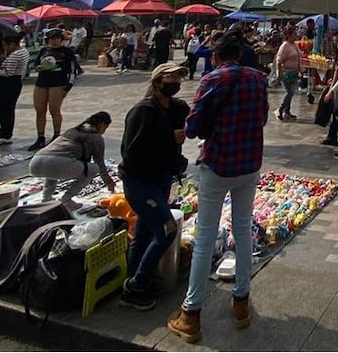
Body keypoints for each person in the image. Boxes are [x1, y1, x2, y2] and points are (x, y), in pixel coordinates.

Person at [167, 37, 269, 341]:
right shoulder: (258, 79)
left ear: (215, 56)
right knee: (242, 230)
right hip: (249, 163)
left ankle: (192, 313)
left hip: (219, 163)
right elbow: (262, 118)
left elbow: (193, 128)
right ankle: (241, 302)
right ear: (240, 55)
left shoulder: (212, 79)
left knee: (205, 237)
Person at [119, 62, 190, 311]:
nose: (176, 82)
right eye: (170, 77)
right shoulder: (142, 111)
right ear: (158, 81)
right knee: (167, 229)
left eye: (179, 77)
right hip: (140, 181)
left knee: (144, 231)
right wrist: (168, 139)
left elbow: (198, 118)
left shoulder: (177, 107)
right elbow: (132, 152)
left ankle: (134, 277)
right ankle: (137, 284)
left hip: (162, 177)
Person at [29, 112, 116, 210]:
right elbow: (100, 164)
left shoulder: (71, 131)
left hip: (35, 163)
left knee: (54, 170)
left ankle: (46, 198)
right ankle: (66, 200)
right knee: (93, 169)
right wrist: (108, 182)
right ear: (102, 125)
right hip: (55, 164)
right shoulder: (95, 137)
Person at [27, 28, 81, 151]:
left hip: (58, 83)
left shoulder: (66, 51)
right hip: (42, 82)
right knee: (40, 110)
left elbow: (73, 70)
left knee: (54, 110)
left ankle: (57, 135)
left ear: (61, 40)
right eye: (52, 38)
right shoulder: (44, 50)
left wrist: (68, 87)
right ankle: (40, 137)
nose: (54, 41)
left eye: (57, 38)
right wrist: (39, 67)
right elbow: (35, 65)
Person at [0, 34, 29, 146]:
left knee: (6, 110)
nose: (4, 48)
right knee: (4, 109)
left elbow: (8, 73)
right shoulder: (23, 51)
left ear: (12, 45)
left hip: (10, 83)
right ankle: (3, 132)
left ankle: (6, 135)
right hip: (16, 81)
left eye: (5, 46)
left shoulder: (15, 55)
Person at [274, 27, 302, 121]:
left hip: (294, 72)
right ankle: (280, 109)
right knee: (289, 92)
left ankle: (287, 112)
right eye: (294, 34)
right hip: (286, 72)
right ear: (289, 35)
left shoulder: (294, 45)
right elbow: (279, 61)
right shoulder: (285, 46)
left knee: (292, 92)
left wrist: (299, 69)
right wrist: (279, 73)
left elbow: (298, 57)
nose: (296, 35)